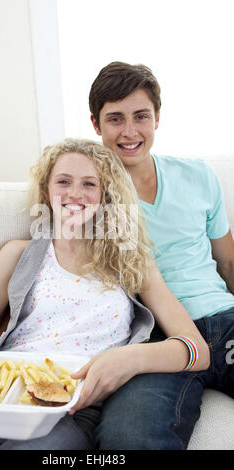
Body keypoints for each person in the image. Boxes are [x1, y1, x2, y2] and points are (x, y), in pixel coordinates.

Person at [0, 138, 209, 450]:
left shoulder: (131, 263)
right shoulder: (17, 255)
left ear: (106, 195)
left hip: (67, 412)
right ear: (47, 190)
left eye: (89, 184)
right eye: (63, 181)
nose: (75, 193)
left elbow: (197, 350)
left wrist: (128, 359)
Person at [89, 61, 234, 450]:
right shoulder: (86, 195)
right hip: (156, 337)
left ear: (157, 119)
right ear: (96, 125)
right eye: (115, 119)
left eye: (141, 116)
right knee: (128, 438)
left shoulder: (199, 175)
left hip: (225, 318)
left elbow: (228, 263)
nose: (130, 131)